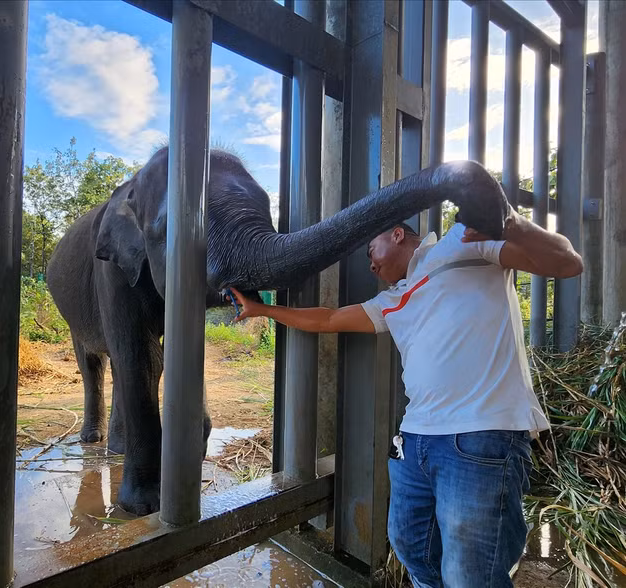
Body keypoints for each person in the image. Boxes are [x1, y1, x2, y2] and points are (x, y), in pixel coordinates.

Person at [229, 209, 583, 587]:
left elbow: (567, 263)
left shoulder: (463, 241)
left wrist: (509, 222)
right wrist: (262, 309)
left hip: (481, 433)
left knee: (471, 573)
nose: (370, 264)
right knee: (412, 546)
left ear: (397, 234)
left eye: (371, 250)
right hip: (414, 441)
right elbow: (328, 319)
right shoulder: (393, 299)